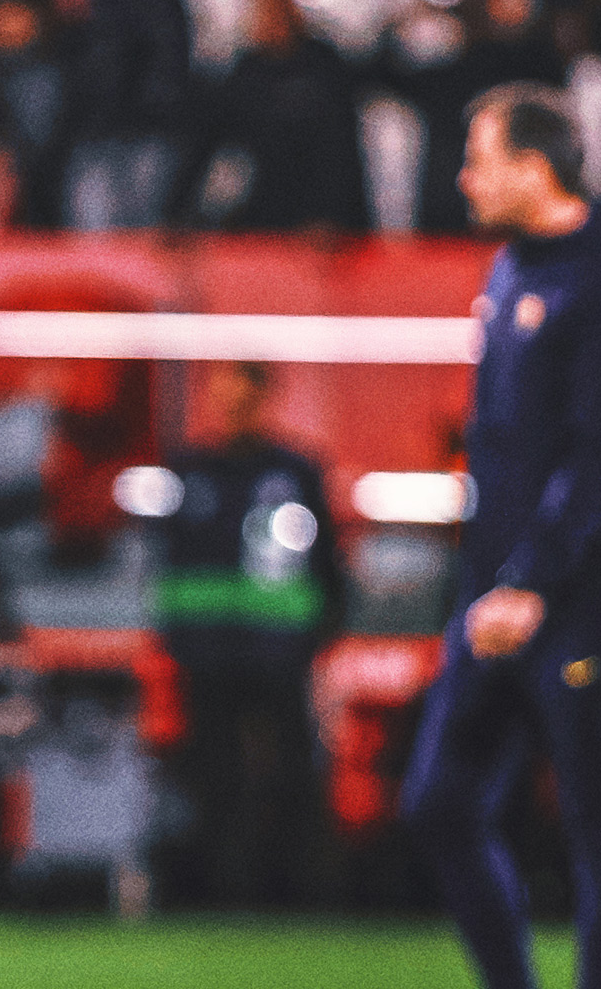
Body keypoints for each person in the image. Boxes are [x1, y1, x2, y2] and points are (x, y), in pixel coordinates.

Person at [400, 84, 601, 989]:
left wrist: (532, 579)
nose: (463, 178)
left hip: (587, 601)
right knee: (439, 802)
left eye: (479, 158)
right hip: (499, 597)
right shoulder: (512, 272)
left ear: (533, 166)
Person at [151, 361, 341, 905]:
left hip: (278, 652)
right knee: (215, 777)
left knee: (293, 774)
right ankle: (219, 893)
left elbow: (326, 563)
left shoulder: (296, 471)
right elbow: (170, 562)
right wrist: (179, 639)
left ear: (263, 399)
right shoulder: (188, 473)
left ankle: (303, 894)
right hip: (209, 655)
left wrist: (318, 633)